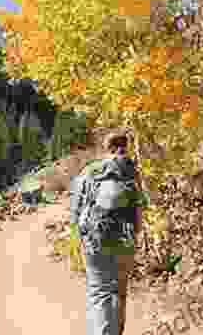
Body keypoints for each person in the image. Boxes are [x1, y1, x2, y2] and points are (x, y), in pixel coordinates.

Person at [69, 130, 145, 335]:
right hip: (124, 239)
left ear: (106, 147)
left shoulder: (90, 171)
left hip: (94, 240)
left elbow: (75, 208)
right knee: (118, 292)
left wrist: (78, 236)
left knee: (100, 292)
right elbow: (140, 209)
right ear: (125, 146)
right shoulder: (130, 171)